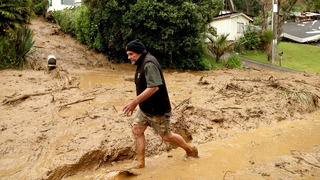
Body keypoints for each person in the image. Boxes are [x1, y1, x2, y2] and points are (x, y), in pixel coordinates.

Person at [122, 39, 198, 168]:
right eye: (128, 54)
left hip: (158, 109)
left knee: (167, 137)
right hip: (145, 108)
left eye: (131, 54)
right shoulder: (141, 62)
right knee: (137, 130)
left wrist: (134, 102)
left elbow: (154, 87)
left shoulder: (149, 64)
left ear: (139, 52)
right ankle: (141, 163)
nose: (129, 57)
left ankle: (189, 149)